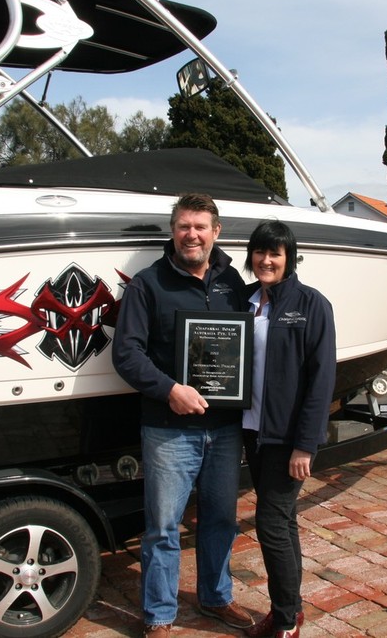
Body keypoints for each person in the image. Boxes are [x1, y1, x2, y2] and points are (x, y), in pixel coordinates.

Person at [112, 193, 254, 638]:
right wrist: (170, 389)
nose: (191, 234)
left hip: (224, 428)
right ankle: (159, 615)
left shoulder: (232, 282)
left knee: (220, 520)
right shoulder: (147, 284)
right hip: (169, 430)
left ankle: (216, 597)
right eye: (183, 226)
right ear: (172, 231)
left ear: (216, 232)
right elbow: (126, 353)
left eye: (200, 226)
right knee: (162, 528)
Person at [241, 220, 337, 638]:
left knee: (271, 523)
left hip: (287, 439)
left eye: (275, 253)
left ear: (289, 258)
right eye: (260, 252)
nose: (266, 260)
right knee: (284, 521)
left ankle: (283, 622)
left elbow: (321, 379)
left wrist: (305, 446)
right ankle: (292, 610)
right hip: (251, 431)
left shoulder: (312, 305)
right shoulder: (246, 302)